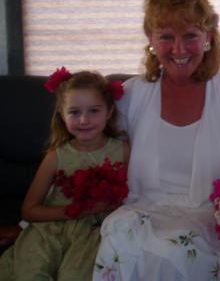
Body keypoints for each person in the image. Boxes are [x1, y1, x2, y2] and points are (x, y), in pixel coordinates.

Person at [92, 0, 220, 280]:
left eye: (190, 35)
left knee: (177, 249)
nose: (179, 49)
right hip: (141, 209)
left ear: (208, 36)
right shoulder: (129, 96)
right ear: (150, 38)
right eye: (166, 36)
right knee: (118, 236)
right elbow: (90, 149)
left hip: (207, 216)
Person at [0, 69, 130, 281]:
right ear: (62, 114)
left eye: (94, 111)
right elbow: (29, 210)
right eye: (74, 112)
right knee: (30, 273)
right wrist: (74, 211)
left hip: (95, 231)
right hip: (51, 228)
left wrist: (106, 206)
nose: (84, 120)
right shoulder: (56, 156)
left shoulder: (123, 151)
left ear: (109, 112)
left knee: (76, 275)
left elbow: (139, 193)